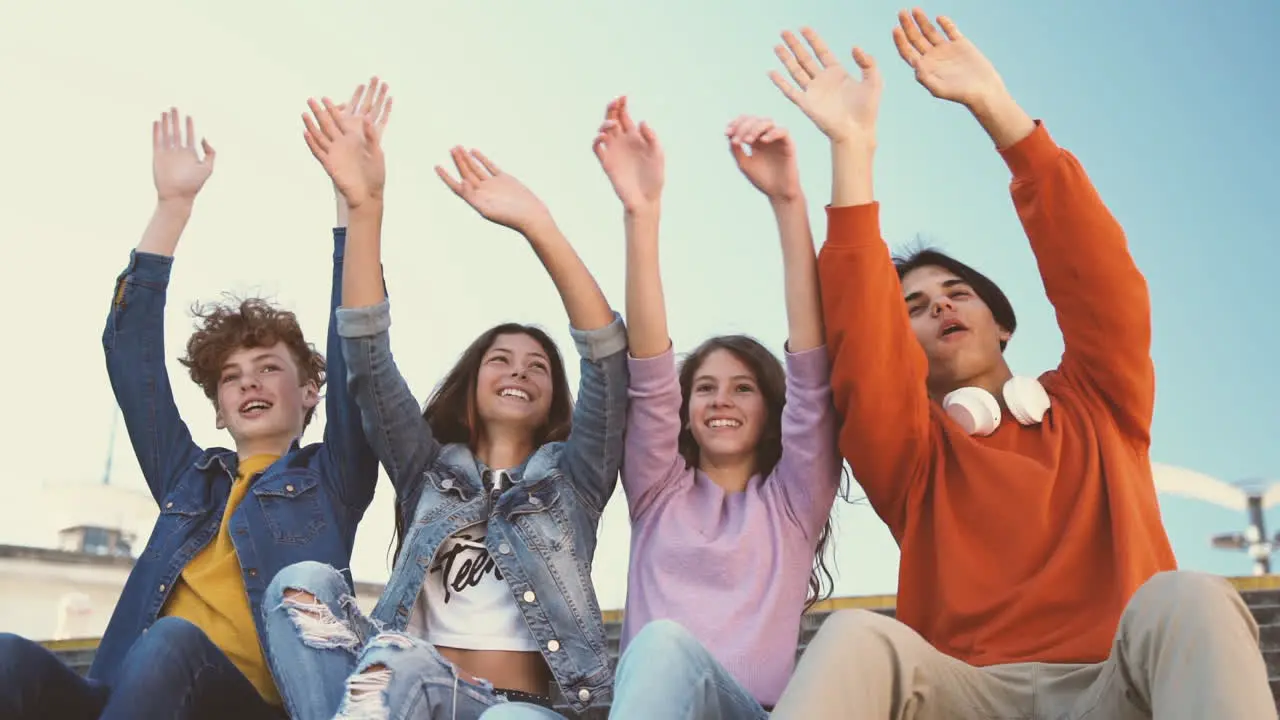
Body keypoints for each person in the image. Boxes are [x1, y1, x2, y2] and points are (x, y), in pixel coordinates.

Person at [764, 10, 1276, 719]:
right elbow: (861, 346)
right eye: (913, 306)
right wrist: (852, 146)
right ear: (900, 341)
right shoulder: (911, 453)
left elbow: (1102, 282)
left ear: (1001, 323)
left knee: (1190, 596)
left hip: (1116, 687)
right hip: (964, 696)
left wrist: (999, 112)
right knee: (855, 635)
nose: (941, 308)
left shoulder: (1100, 403)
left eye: (958, 293)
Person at [0, 81, 389, 720]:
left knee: (173, 643)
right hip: (133, 696)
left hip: (246, 703)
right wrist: (171, 206)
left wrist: (353, 207)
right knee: (10, 658)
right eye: (232, 378)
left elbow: (357, 355)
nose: (250, 384)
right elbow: (131, 361)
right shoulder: (190, 483)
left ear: (310, 392)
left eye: (269, 369)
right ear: (217, 408)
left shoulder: (332, 479)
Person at [263, 87, 629, 720]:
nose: (518, 371)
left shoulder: (575, 479)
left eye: (537, 366)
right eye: (501, 360)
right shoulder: (427, 469)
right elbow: (367, 356)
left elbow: (606, 359)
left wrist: (539, 227)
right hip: (408, 693)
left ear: (553, 396)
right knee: (302, 585)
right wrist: (364, 205)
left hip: (526, 710)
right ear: (473, 381)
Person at [490, 96, 845, 720]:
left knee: (662, 647)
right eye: (704, 388)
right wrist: (641, 212)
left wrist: (788, 203)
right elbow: (649, 371)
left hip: (743, 711)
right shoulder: (659, 491)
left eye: (742, 388)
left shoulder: (793, 501)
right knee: (505, 717)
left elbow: (812, 373)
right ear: (684, 411)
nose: (720, 400)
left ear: (770, 411)